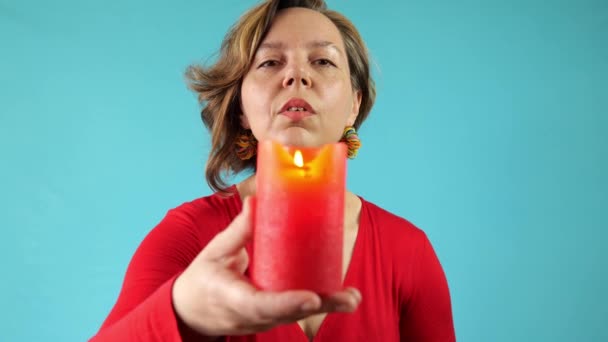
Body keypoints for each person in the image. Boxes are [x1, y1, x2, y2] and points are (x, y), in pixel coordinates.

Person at [90, 0, 456, 341]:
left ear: (353, 106)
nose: (297, 76)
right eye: (270, 63)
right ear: (242, 111)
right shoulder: (186, 234)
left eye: (323, 62)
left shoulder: (409, 251)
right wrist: (184, 310)